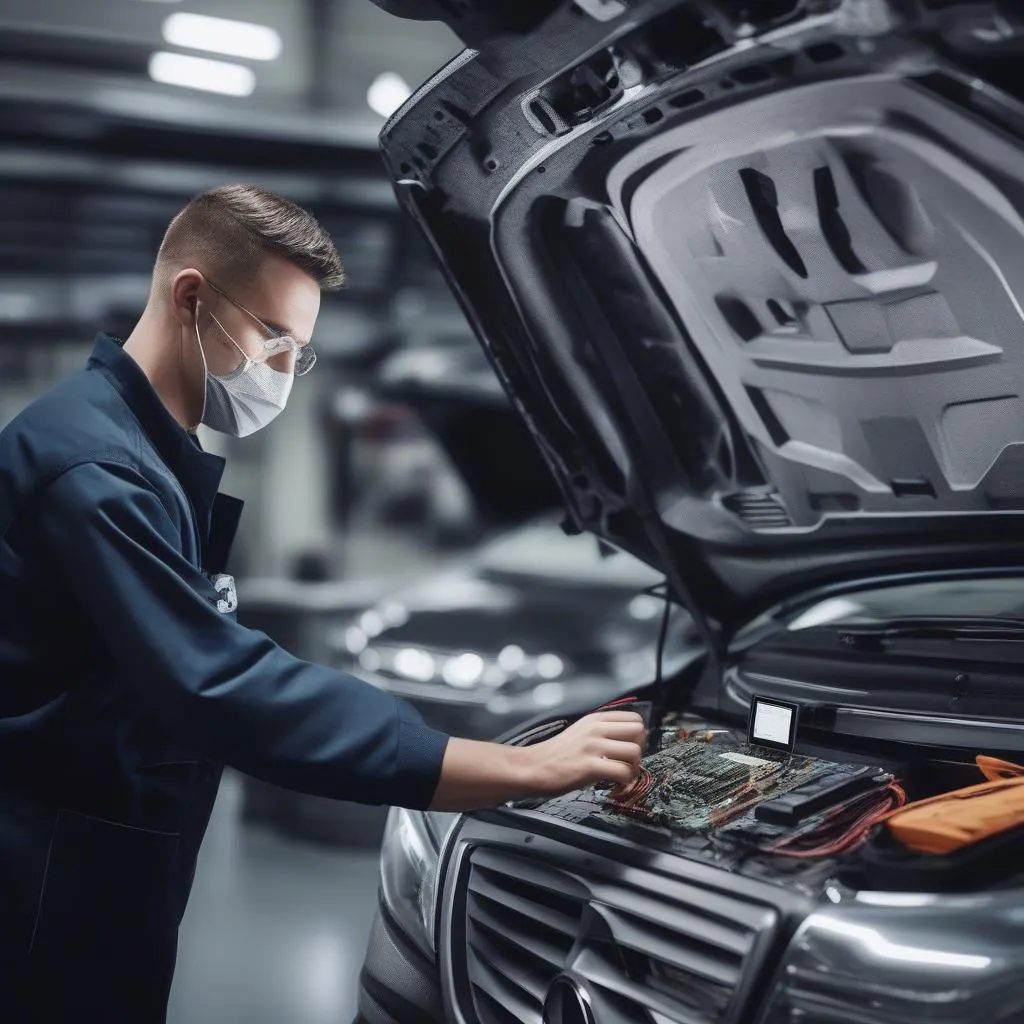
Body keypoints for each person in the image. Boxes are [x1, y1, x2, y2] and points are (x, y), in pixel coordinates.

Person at [0, 185, 645, 1021]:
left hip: (104, 852)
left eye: (296, 352)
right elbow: (224, 688)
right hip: (50, 871)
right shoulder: (94, 469)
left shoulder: (142, 451)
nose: (281, 371)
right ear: (192, 296)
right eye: (273, 337)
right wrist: (518, 768)